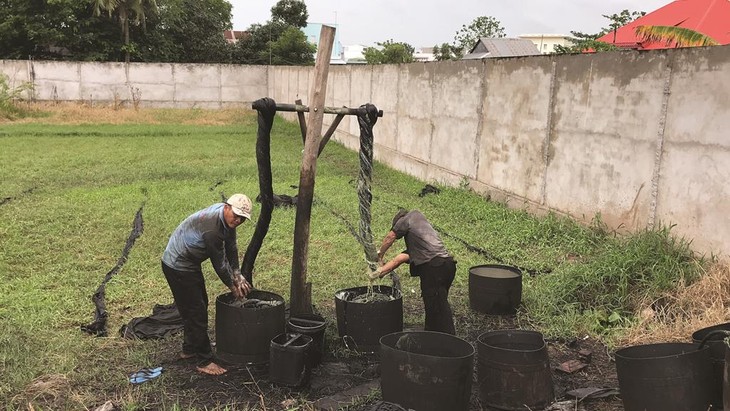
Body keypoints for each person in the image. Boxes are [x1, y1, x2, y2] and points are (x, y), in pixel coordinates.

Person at [161, 193, 253, 375]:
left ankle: (189, 349)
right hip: (178, 265)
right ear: (226, 207)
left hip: (188, 262)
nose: (238, 221)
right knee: (196, 310)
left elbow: (231, 247)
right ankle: (204, 360)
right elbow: (219, 263)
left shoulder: (225, 219)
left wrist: (237, 274)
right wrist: (233, 285)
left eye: (242, 218)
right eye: (236, 216)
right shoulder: (213, 230)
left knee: (197, 304)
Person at [369, 209, 457, 335]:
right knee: (434, 305)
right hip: (448, 266)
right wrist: (379, 272)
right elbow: (398, 260)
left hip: (434, 269)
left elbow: (390, 237)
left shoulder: (408, 217)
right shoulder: (422, 242)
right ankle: (432, 335)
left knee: (440, 307)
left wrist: (380, 255)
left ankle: (450, 341)